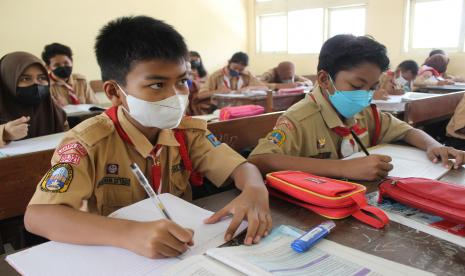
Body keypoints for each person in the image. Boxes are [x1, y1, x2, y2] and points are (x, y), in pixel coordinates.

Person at [24, 16, 271, 259]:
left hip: (183, 250)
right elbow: (38, 216)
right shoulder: (89, 142)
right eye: (157, 85)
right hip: (117, 256)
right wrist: (129, 233)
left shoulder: (186, 132)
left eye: (182, 81)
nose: (175, 96)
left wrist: (255, 188)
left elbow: (241, 167)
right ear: (114, 92)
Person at [247, 35, 465, 181]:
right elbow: (259, 160)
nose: (365, 95)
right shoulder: (299, 119)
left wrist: (433, 145)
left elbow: (407, 130)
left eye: (372, 88)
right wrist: (343, 168)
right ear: (324, 79)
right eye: (357, 86)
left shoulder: (364, 112)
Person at [0, 52, 68, 147]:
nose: (36, 84)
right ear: (7, 81)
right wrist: (4, 133)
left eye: (42, 78)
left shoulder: (56, 114)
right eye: (25, 79)